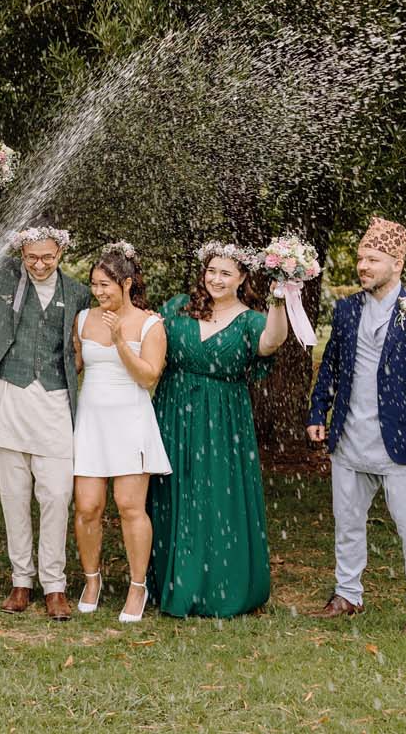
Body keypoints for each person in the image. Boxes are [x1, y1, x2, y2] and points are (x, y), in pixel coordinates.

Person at [307, 217, 406, 636]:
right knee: (347, 522)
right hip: (350, 438)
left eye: (373, 259)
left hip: (404, 439)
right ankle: (347, 594)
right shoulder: (348, 308)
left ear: (397, 262)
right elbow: (332, 364)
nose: (363, 266)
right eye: (360, 258)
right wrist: (319, 412)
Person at [0, 217, 91, 622]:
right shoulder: (6, 278)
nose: (39, 265)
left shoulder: (78, 293)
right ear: (21, 254)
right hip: (9, 399)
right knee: (13, 497)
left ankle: (55, 585)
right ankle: (21, 581)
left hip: (55, 403)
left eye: (47, 257)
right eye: (31, 257)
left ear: (60, 253)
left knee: (57, 495)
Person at [147, 242, 289, 618]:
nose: (216, 279)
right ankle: (168, 582)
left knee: (215, 495)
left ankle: (217, 587)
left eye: (226, 273)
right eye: (211, 270)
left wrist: (280, 298)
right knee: (171, 492)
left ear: (242, 278)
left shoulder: (251, 319)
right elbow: (146, 338)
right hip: (172, 412)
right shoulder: (178, 307)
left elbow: (272, 342)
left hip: (223, 419)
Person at [71, 243, 169, 623]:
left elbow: (148, 377)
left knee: (130, 507)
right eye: (94, 285)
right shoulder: (82, 319)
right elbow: (76, 365)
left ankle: (136, 586)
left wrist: (117, 343)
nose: (99, 292)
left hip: (131, 420)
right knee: (87, 507)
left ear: (126, 283)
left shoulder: (149, 324)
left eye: (106, 285)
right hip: (92, 422)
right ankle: (91, 580)